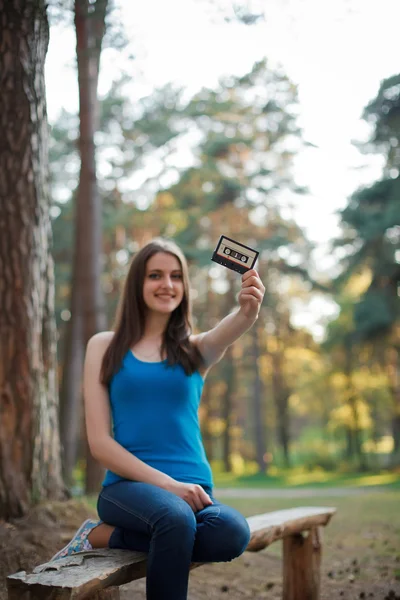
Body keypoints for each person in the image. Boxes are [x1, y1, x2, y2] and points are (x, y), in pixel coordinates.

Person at [51, 237, 265, 600]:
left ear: (184, 286)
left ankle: (101, 535)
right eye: (155, 275)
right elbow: (100, 443)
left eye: (176, 276)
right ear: (138, 283)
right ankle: (117, 529)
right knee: (174, 520)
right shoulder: (104, 345)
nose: (167, 284)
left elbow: (235, 325)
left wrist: (248, 310)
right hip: (127, 489)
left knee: (231, 532)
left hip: (195, 492)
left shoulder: (196, 350)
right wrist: (167, 485)